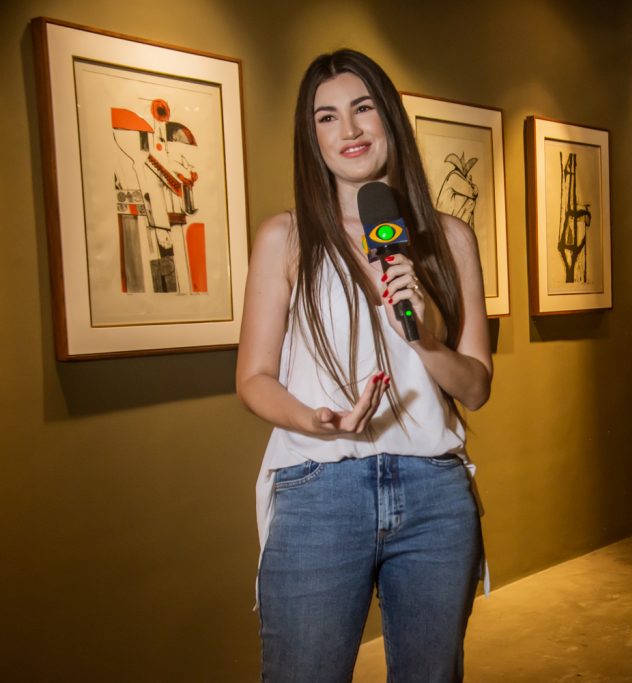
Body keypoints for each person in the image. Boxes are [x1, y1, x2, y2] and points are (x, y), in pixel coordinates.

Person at [236, 49, 492, 682]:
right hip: (320, 489)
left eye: (362, 109)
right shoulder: (286, 237)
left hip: (435, 491)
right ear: (311, 136)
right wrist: (315, 418)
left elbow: (478, 387)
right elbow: (253, 379)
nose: (347, 131)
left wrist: (427, 338)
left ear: (389, 118)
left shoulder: (451, 237)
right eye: (326, 117)